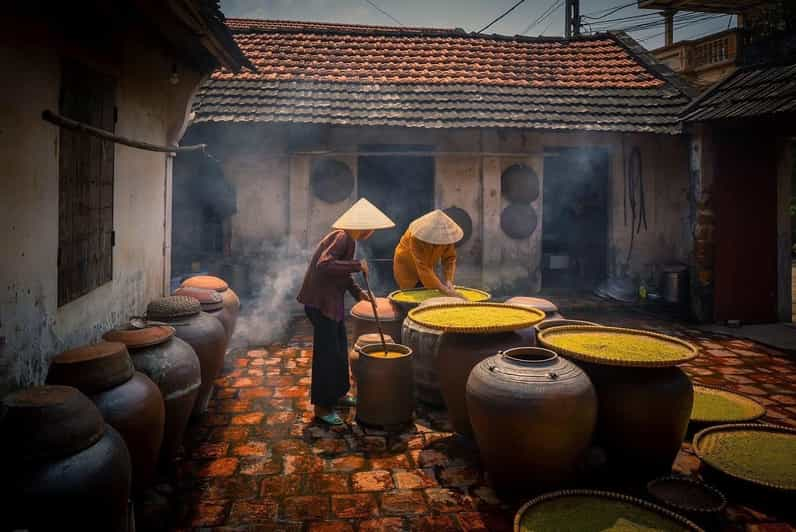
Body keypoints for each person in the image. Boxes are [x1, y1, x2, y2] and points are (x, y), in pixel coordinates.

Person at [297, 198, 395, 426]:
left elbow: (341, 274)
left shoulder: (349, 240)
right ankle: (322, 407)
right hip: (320, 304)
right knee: (327, 356)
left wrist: (360, 293)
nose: (372, 232)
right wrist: (356, 265)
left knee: (340, 349)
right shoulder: (341, 237)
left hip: (332, 304)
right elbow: (324, 265)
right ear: (363, 226)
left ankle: (340, 394)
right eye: (371, 228)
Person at [393, 209, 464, 298]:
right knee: (414, 296)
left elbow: (449, 259)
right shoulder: (416, 238)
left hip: (426, 266)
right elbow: (423, 267)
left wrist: (448, 280)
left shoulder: (446, 236)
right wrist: (445, 291)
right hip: (407, 267)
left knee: (430, 292)